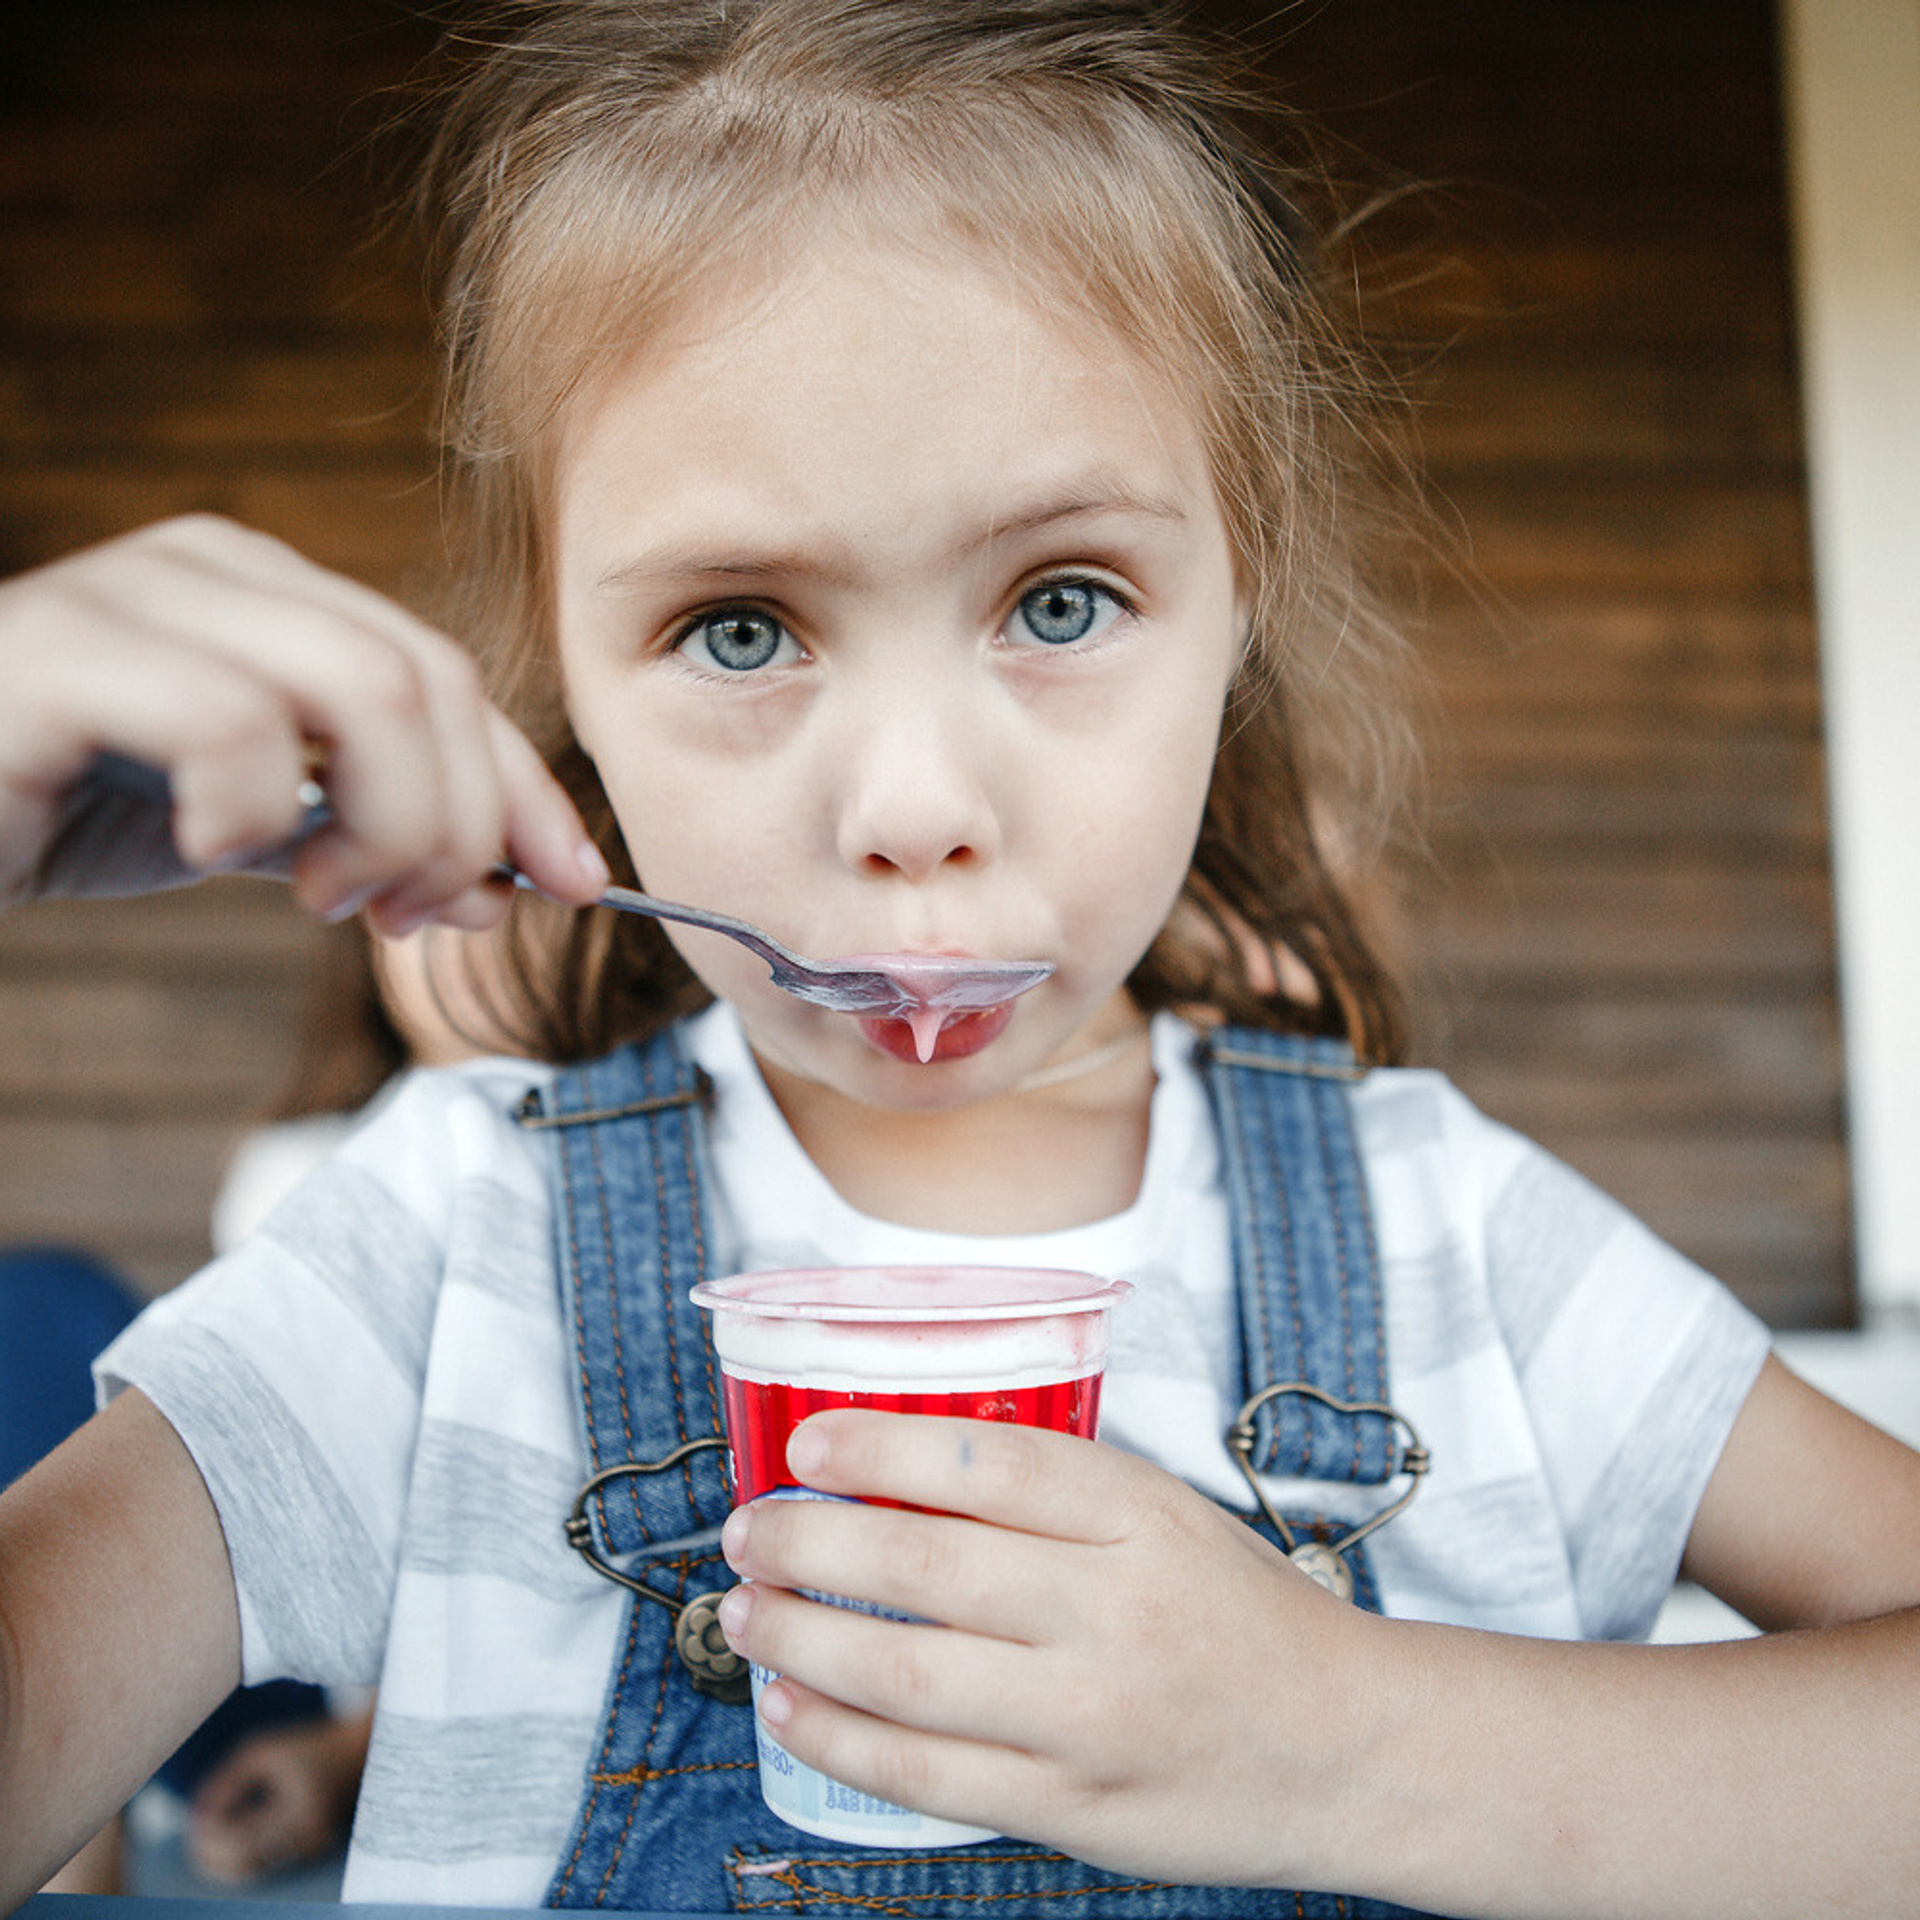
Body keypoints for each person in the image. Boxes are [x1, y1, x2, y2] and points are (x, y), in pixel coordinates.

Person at [1, 4, 1917, 1915]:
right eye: (742, 630)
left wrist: (1351, 1739)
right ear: (563, 694)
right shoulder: (447, 1253)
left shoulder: (1458, 1249)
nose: (912, 807)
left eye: (1061, 600)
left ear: (1237, 619)